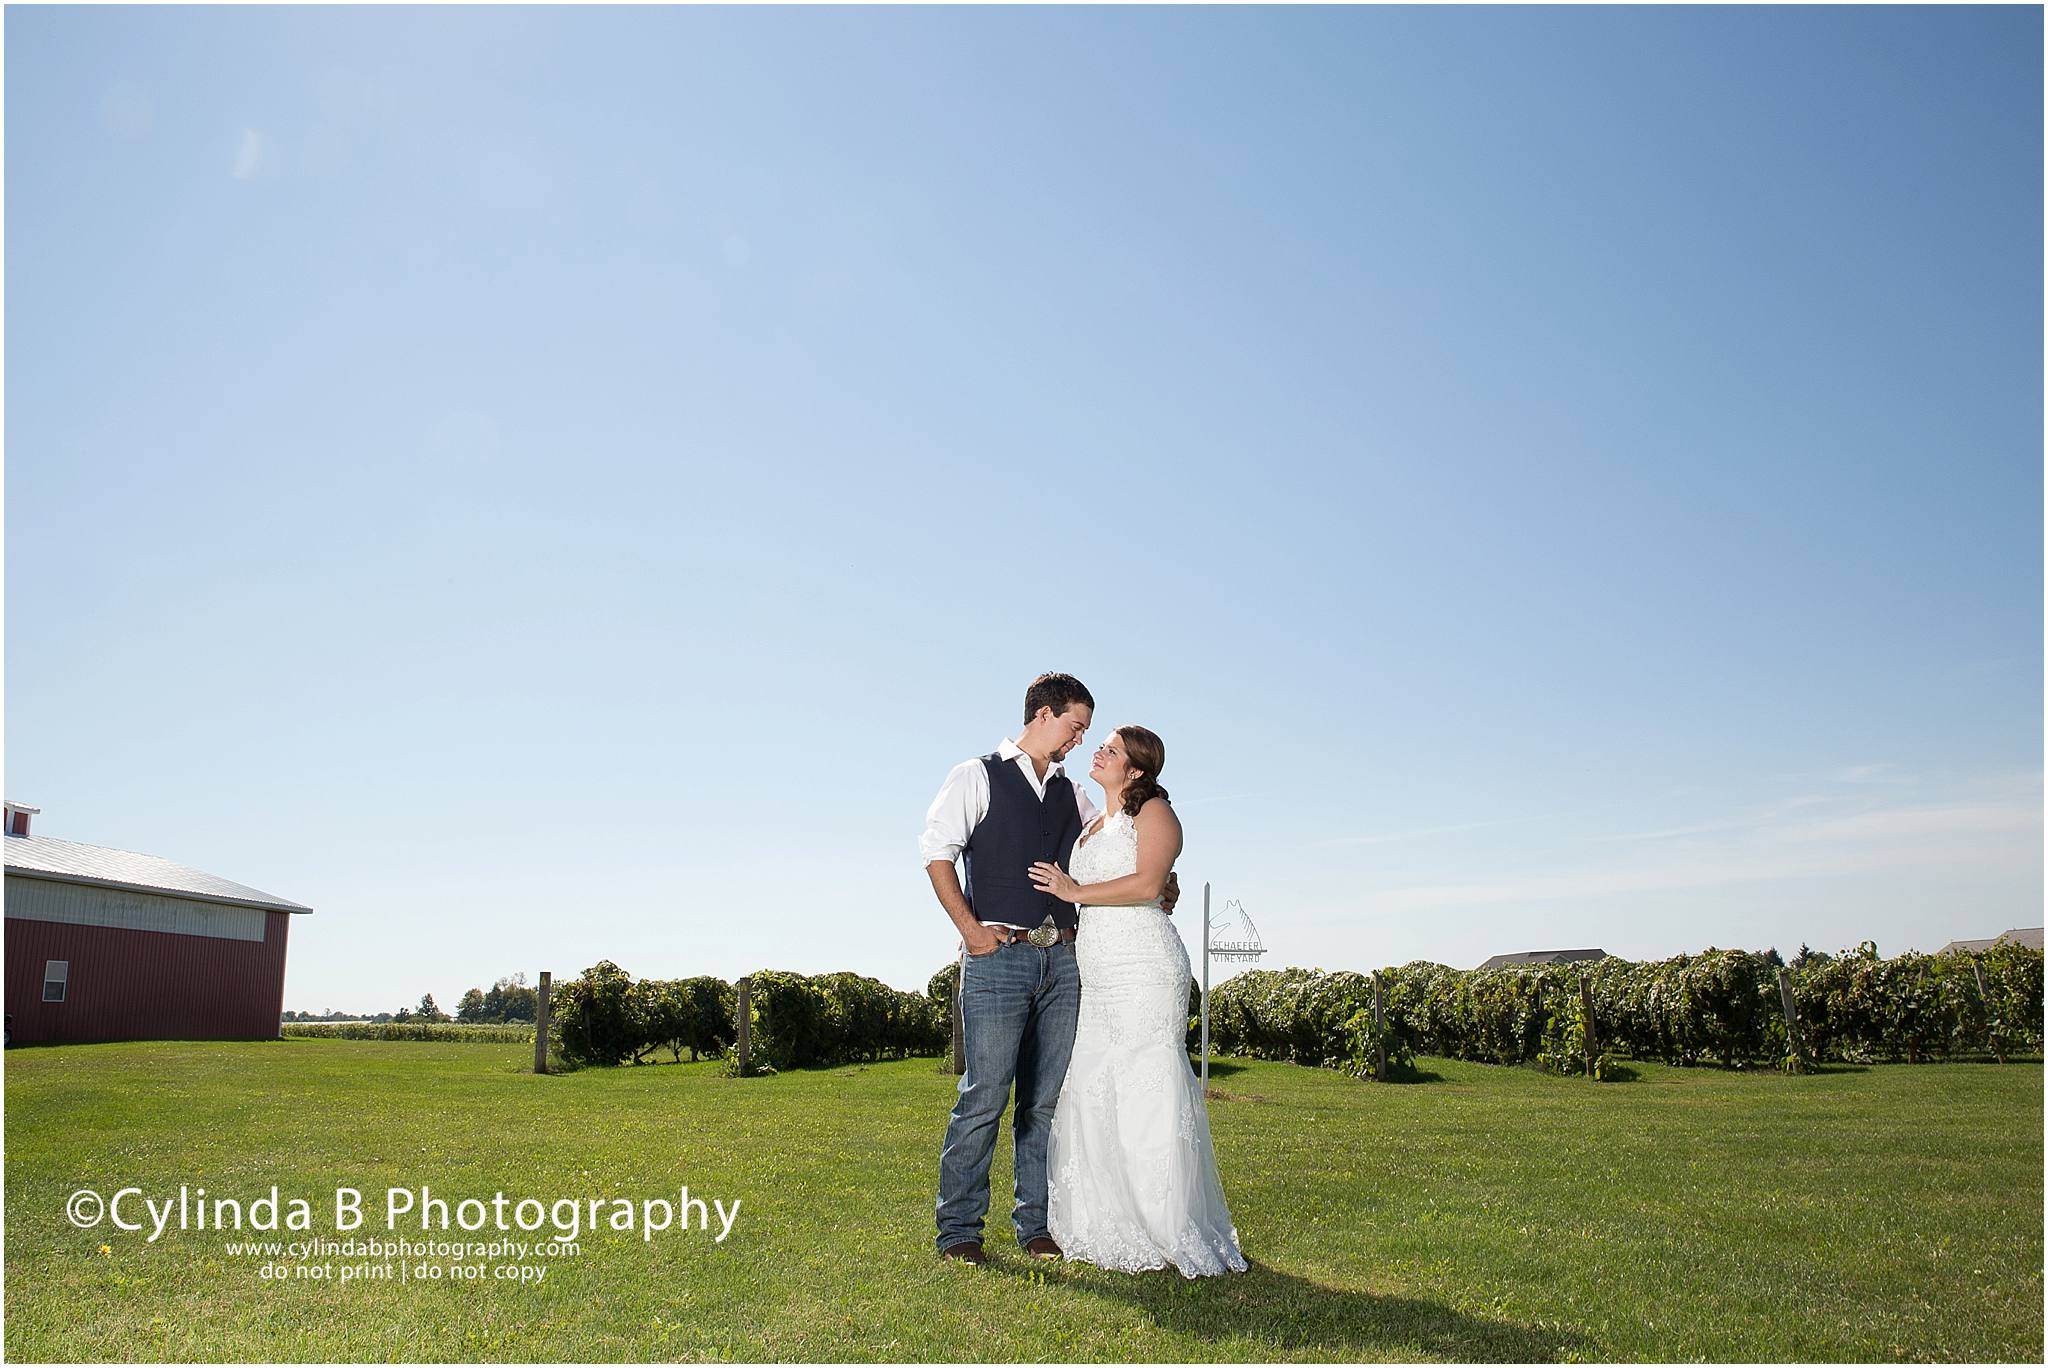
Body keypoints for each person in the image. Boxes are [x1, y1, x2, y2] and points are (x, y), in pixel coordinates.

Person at [922, 673, 1177, 1265]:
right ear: (1043, 714)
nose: (1080, 740)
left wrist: (1164, 881)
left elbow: (1119, 840)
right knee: (984, 1096)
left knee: (1044, 1101)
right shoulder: (975, 775)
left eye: (1087, 732)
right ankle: (959, 1230)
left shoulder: (1073, 794)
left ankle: (1035, 1224)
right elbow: (936, 854)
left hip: (1063, 962)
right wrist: (971, 932)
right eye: (1075, 726)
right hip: (998, 959)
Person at [1028, 725, 1248, 1277]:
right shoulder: (1090, 824)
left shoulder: (1155, 813)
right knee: (1093, 1083)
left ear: (1136, 769)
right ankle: (1103, 1218)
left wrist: (1075, 891)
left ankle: (1164, 1222)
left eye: (1111, 749)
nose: (1098, 751)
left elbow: (1150, 885)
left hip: (1145, 969)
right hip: (1097, 973)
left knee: (1146, 1086)